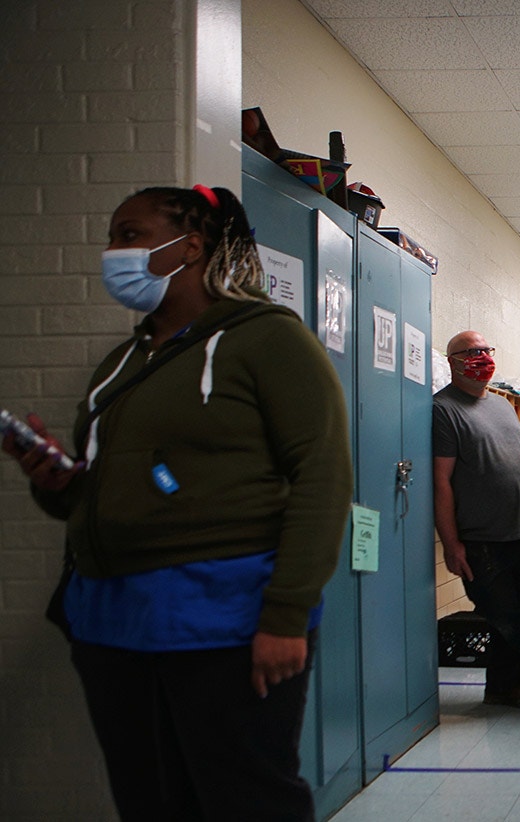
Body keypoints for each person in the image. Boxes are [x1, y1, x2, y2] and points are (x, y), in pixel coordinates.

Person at [2, 185, 352, 820]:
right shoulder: (121, 365)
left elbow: (322, 480)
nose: (114, 251)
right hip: (111, 619)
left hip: (224, 617)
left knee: (247, 799)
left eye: (130, 234)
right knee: (151, 802)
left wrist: (285, 615)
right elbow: (96, 496)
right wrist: (56, 482)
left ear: (190, 246)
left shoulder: (268, 340)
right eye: (112, 236)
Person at [433, 331, 520, 710]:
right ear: (453, 361)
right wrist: (451, 543)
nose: (483, 357)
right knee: (502, 613)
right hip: (481, 538)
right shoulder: (443, 409)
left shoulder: (503, 406)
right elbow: (441, 482)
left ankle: (504, 689)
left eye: (487, 350)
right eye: (472, 352)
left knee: (512, 617)